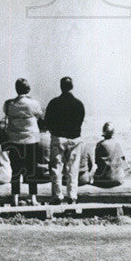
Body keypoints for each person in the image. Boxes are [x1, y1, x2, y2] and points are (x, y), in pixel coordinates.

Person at [3, 78, 44, 207]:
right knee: (32, 169)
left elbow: (6, 113)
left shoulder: (9, 104)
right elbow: (39, 115)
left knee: (15, 170)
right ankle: (33, 198)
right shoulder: (33, 103)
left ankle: (15, 197)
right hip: (31, 139)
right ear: (28, 89)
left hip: (14, 140)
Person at [44, 76, 86, 205]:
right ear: (71, 87)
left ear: (61, 87)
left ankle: (57, 195)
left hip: (59, 138)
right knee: (73, 168)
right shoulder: (79, 104)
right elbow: (80, 120)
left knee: (56, 167)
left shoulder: (54, 103)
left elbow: (47, 122)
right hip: (75, 138)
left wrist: (53, 131)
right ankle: (72, 196)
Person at [93, 122, 126, 188]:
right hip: (119, 179)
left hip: (105, 180)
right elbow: (124, 162)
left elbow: (96, 161)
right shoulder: (118, 144)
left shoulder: (100, 144)